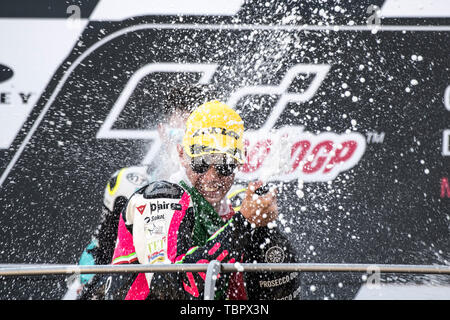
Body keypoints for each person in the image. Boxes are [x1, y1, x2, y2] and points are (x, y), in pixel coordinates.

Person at [86, 99, 300, 300]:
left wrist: (258, 230)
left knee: (271, 246)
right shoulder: (159, 197)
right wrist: (243, 223)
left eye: (225, 164)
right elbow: (168, 289)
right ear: (181, 154)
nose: (212, 177)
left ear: (239, 163)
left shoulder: (237, 208)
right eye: (201, 163)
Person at [65, 84, 220, 300]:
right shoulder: (129, 185)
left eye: (196, 141)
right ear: (163, 132)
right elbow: (96, 261)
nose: (186, 147)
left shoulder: (226, 196)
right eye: (180, 135)